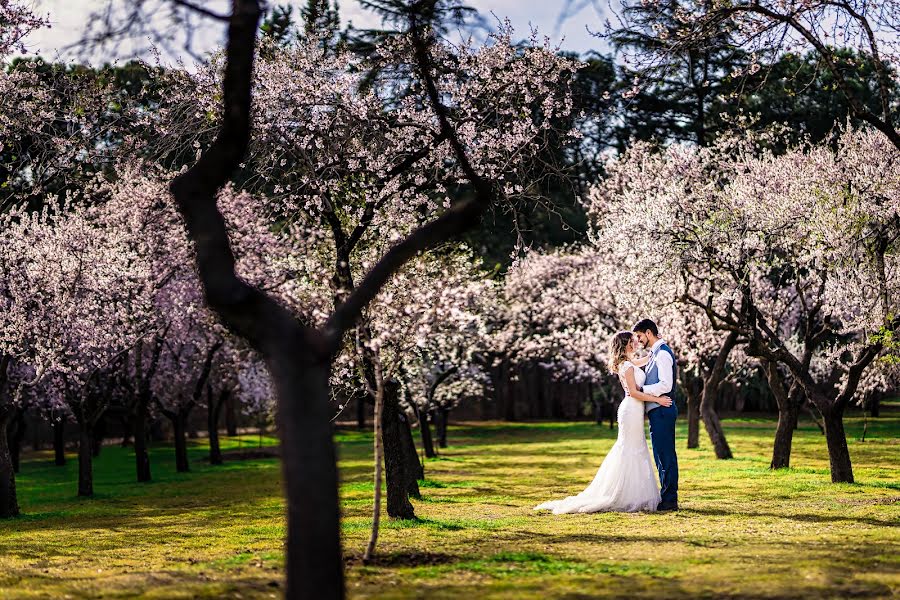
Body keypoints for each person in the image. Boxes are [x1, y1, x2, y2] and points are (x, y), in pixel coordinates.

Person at [534, 330, 671, 514]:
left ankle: (632, 493)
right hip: (631, 409)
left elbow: (648, 360)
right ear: (627, 344)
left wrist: (658, 346)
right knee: (630, 449)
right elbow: (634, 392)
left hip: (635, 410)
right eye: (633, 340)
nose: (637, 342)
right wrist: (658, 400)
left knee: (636, 448)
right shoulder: (627, 367)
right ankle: (623, 494)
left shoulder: (629, 363)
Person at [632, 318, 679, 511]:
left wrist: (642, 388)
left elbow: (666, 385)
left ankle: (670, 500)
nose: (639, 340)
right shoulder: (654, 354)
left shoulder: (663, 354)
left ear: (649, 333)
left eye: (640, 336)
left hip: (663, 410)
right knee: (660, 456)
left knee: (666, 455)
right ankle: (666, 497)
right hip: (657, 411)